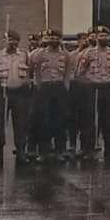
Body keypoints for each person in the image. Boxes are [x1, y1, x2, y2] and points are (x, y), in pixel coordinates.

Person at [77, 25, 110, 162]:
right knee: (92, 121)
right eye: (100, 36)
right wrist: (89, 83)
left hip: (108, 89)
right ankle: (89, 150)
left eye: (105, 36)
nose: (103, 38)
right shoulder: (88, 53)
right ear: (96, 37)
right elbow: (80, 72)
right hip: (94, 89)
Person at [29, 29, 71, 162]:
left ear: (60, 39)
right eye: (51, 38)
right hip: (44, 88)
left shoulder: (65, 54)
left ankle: (60, 150)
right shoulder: (39, 54)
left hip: (59, 87)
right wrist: (39, 85)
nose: (53, 40)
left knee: (60, 120)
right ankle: (44, 151)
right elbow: (34, 71)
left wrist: (65, 86)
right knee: (43, 120)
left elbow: (68, 73)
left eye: (56, 38)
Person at [0, 30, 31, 166]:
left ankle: (21, 153)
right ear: (5, 40)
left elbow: (29, 73)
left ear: (18, 42)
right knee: (0, 125)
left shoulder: (24, 55)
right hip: (3, 93)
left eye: (14, 40)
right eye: (9, 40)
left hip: (20, 94)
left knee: (21, 125)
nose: (11, 43)